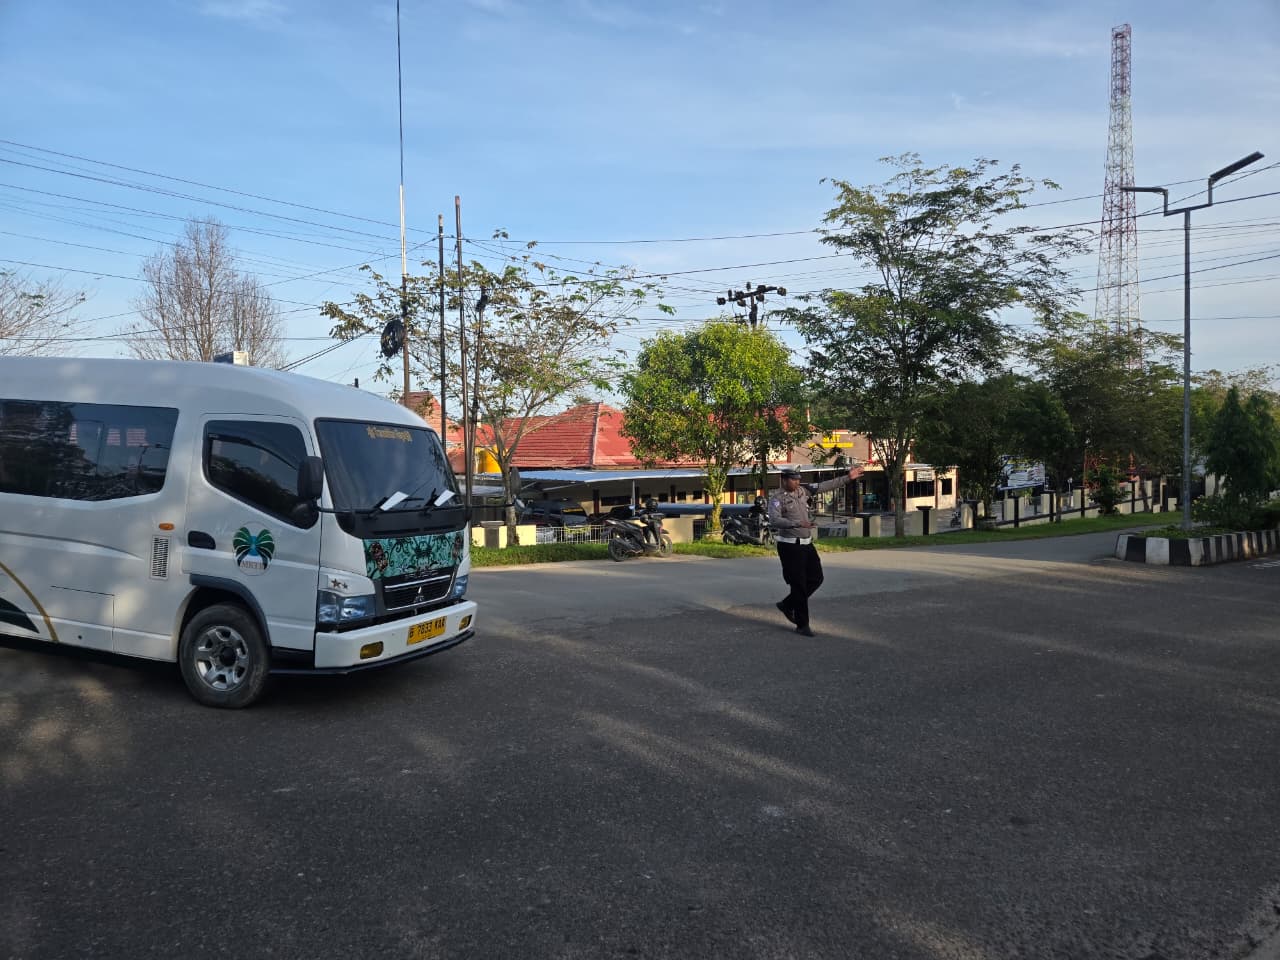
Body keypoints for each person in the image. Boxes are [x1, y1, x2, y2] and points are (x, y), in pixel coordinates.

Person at [767, 464, 864, 637]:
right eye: (793, 479)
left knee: (816, 578)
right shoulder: (776, 498)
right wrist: (796, 523)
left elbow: (826, 485)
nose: (797, 482)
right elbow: (774, 520)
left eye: (798, 479)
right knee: (799, 585)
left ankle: (787, 605)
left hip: (807, 544)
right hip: (790, 546)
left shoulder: (804, 491)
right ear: (784, 480)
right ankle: (802, 625)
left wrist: (848, 477)